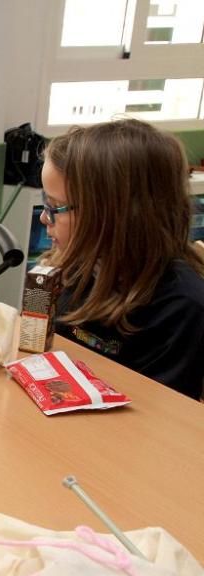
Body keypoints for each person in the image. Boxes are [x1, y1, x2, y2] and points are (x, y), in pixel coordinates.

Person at [41, 118, 204, 399]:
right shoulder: (76, 268)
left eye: (56, 207)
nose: (45, 217)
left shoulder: (182, 308)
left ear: (113, 215)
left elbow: (156, 419)